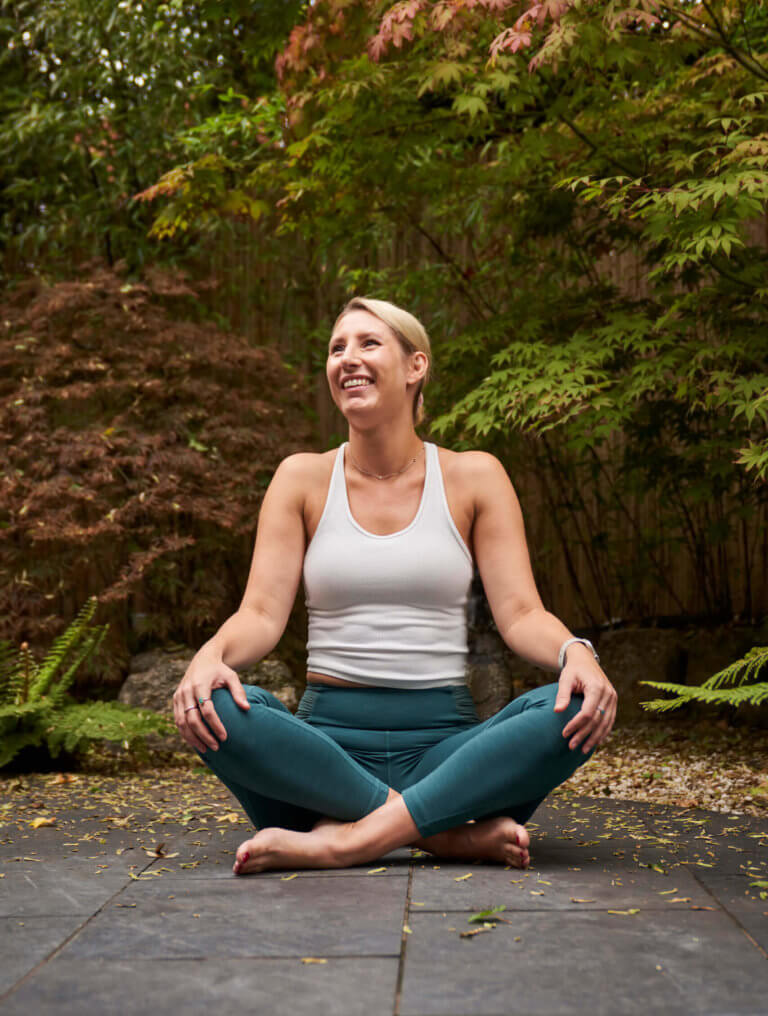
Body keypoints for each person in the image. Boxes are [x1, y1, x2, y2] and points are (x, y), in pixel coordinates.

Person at [173, 297, 617, 875]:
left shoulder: (474, 475)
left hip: (449, 756)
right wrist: (209, 656)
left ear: (416, 366)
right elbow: (259, 613)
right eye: (337, 348)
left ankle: (341, 842)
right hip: (321, 760)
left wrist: (575, 651)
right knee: (214, 704)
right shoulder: (300, 478)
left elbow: (521, 613)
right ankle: (443, 835)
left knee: (581, 702)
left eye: (368, 343)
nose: (347, 359)